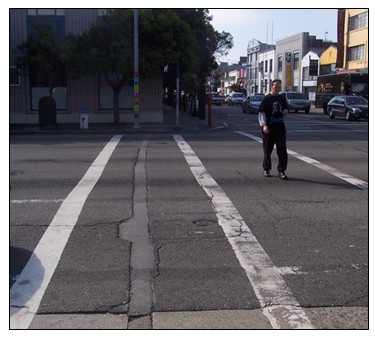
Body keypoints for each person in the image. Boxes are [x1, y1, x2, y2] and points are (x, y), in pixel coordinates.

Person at [258, 79, 289, 179]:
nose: (277, 89)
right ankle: (266, 168)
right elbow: (261, 113)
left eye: (279, 87)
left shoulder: (281, 98)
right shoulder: (266, 99)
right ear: (271, 87)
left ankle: (281, 170)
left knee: (282, 149)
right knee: (268, 149)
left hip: (280, 127)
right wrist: (264, 125)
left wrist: (285, 110)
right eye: (276, 87)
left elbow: (285, 108)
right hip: (269, 127)